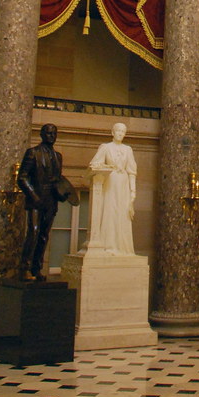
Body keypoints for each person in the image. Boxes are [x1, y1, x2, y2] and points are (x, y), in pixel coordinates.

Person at [17, 122, 78, 282]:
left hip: (51, 200)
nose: (52, 136)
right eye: (49, 133)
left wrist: (62, 195)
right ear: (42, 135)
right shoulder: (33, 153)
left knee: (44, 235)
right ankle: (24, 268)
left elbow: (58, 180)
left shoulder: (58, 156)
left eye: (54, 133)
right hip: (36, 198)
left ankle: (36, 269)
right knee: (33, 232)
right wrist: (34, 196)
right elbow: (22, 177)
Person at [88, 121, 138, 255]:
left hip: (123, 184)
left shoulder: (128, 150)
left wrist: (133, 192)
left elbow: (132, 171)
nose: (121, 134)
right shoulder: (105, 147)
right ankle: (108, 245)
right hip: (110, 182)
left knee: (122, 214)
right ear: (112, 132)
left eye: (123, 132)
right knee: (110, 212)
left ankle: (122, 247)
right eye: (118, 131)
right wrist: (105, 168)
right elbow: (94, 163)